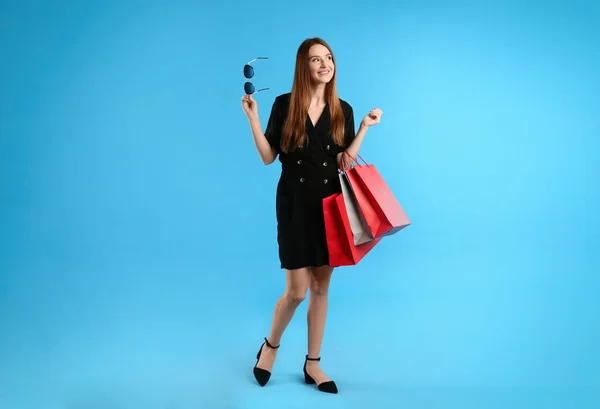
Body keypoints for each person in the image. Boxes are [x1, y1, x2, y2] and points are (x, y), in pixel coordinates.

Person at [240, 37, 383, 394]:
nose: (325, 64)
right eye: (316, 59)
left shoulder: (342, 109)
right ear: (303, 67)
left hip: (329, 204)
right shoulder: (284, 105)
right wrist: (254, 120)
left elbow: (343, 163)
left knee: (321, 288)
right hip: (294, 203)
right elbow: (268, 157)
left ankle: (313, 363)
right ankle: (270, 348)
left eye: (329, 58)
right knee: (297, 291)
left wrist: (363, 127)